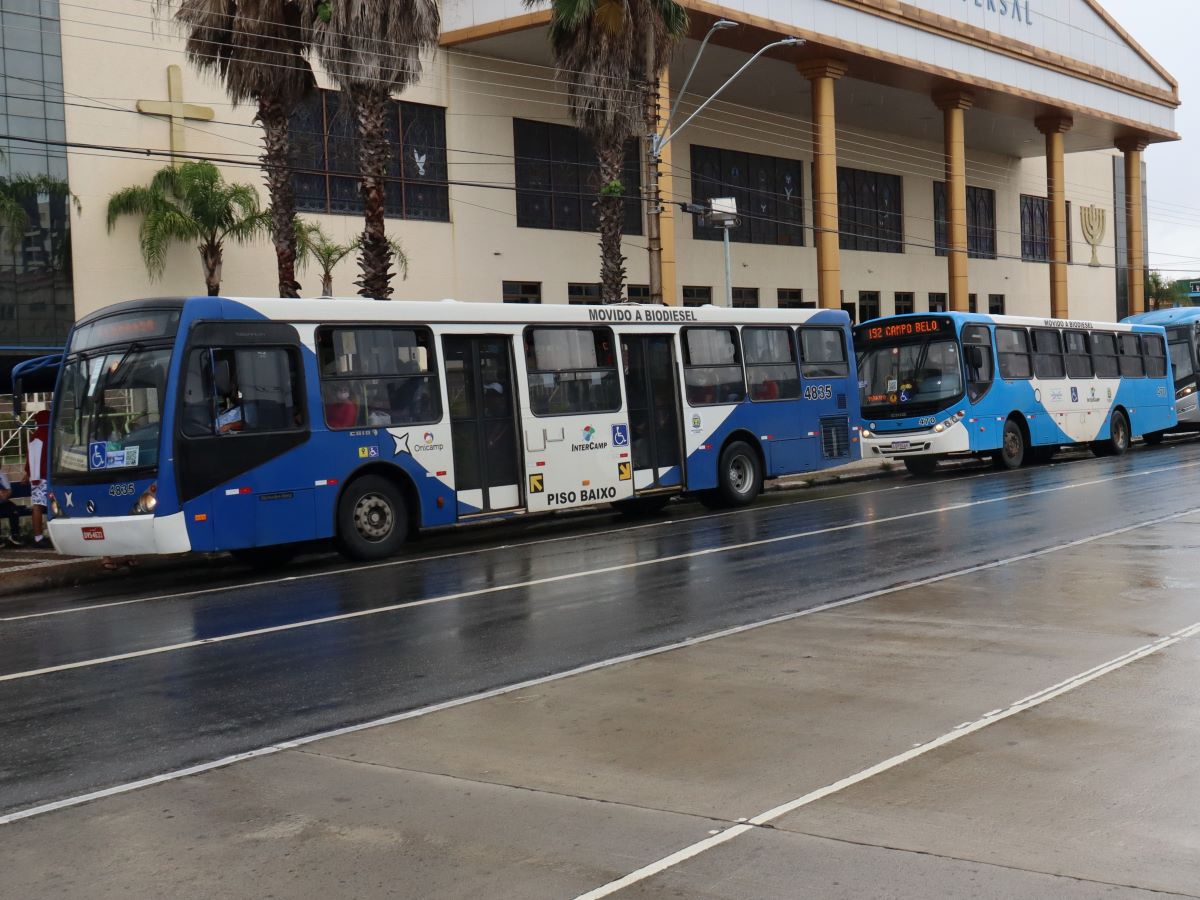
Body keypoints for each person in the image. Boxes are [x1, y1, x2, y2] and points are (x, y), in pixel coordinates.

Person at [26, 410, 49, 547]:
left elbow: (31, 459)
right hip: (45, 476)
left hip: (37, 477)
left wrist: (29, 473)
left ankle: (38, 536)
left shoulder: (35, 436)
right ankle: (39, 537)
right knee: (41, 506)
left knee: (37, 506)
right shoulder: (49, 435)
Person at [0, 469, 23, 547]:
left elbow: (8, 492)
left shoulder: (2, 475)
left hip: (2, 502)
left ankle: (14, 535)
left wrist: (4, 495)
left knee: (14, 510)